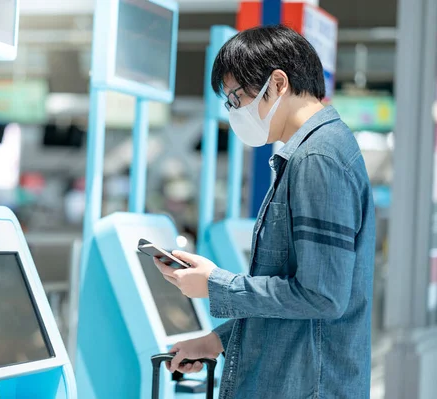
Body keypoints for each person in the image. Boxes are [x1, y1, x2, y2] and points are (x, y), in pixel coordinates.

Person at [154, 25, 375, 399]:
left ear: (277, 83)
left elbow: (322, 296)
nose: (235, 112)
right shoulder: (315, 152)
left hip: (307, 386)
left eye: (236, 98)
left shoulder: (317, 159)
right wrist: (218, 340)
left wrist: (215, 284)